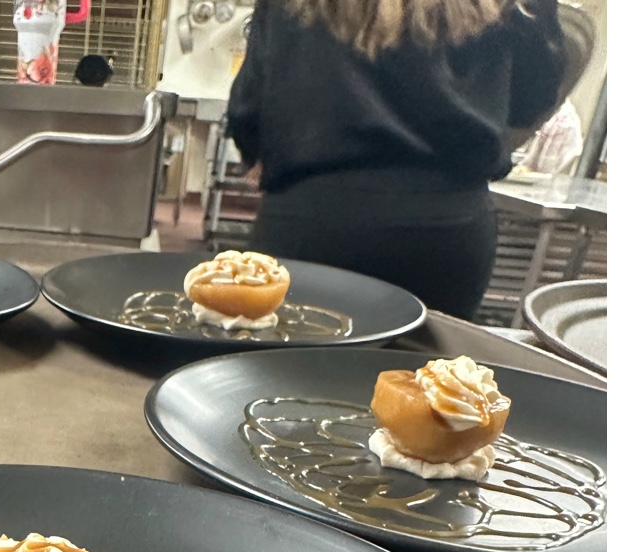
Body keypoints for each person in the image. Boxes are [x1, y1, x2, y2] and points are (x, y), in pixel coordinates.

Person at [227, 0, 567, 319]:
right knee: (427, 376)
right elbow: (533, 97)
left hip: (313, 216)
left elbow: (249, 107)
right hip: (447, 227)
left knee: (278, 371)